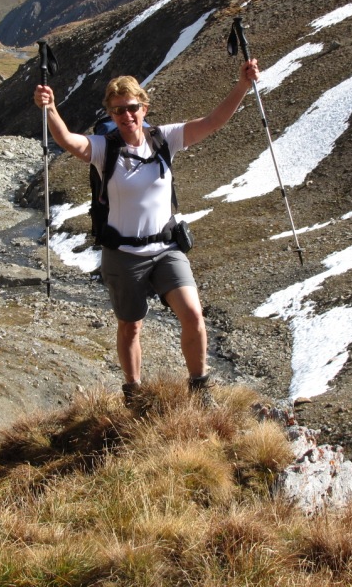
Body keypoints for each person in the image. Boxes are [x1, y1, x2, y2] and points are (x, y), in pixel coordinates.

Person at [33, 58, 260, 406]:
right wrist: (49, 108)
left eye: (132, 107)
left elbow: (213, 122)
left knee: (193, 316)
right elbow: (66, 139)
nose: (126, 115)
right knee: (131, 326)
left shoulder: (164, 139)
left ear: (144, 107)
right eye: (118, 110)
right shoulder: (104, 148)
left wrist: (242, 85)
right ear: (110, 114)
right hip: (123, 255)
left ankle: (200, 389)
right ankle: (133, 391)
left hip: (167, 249)